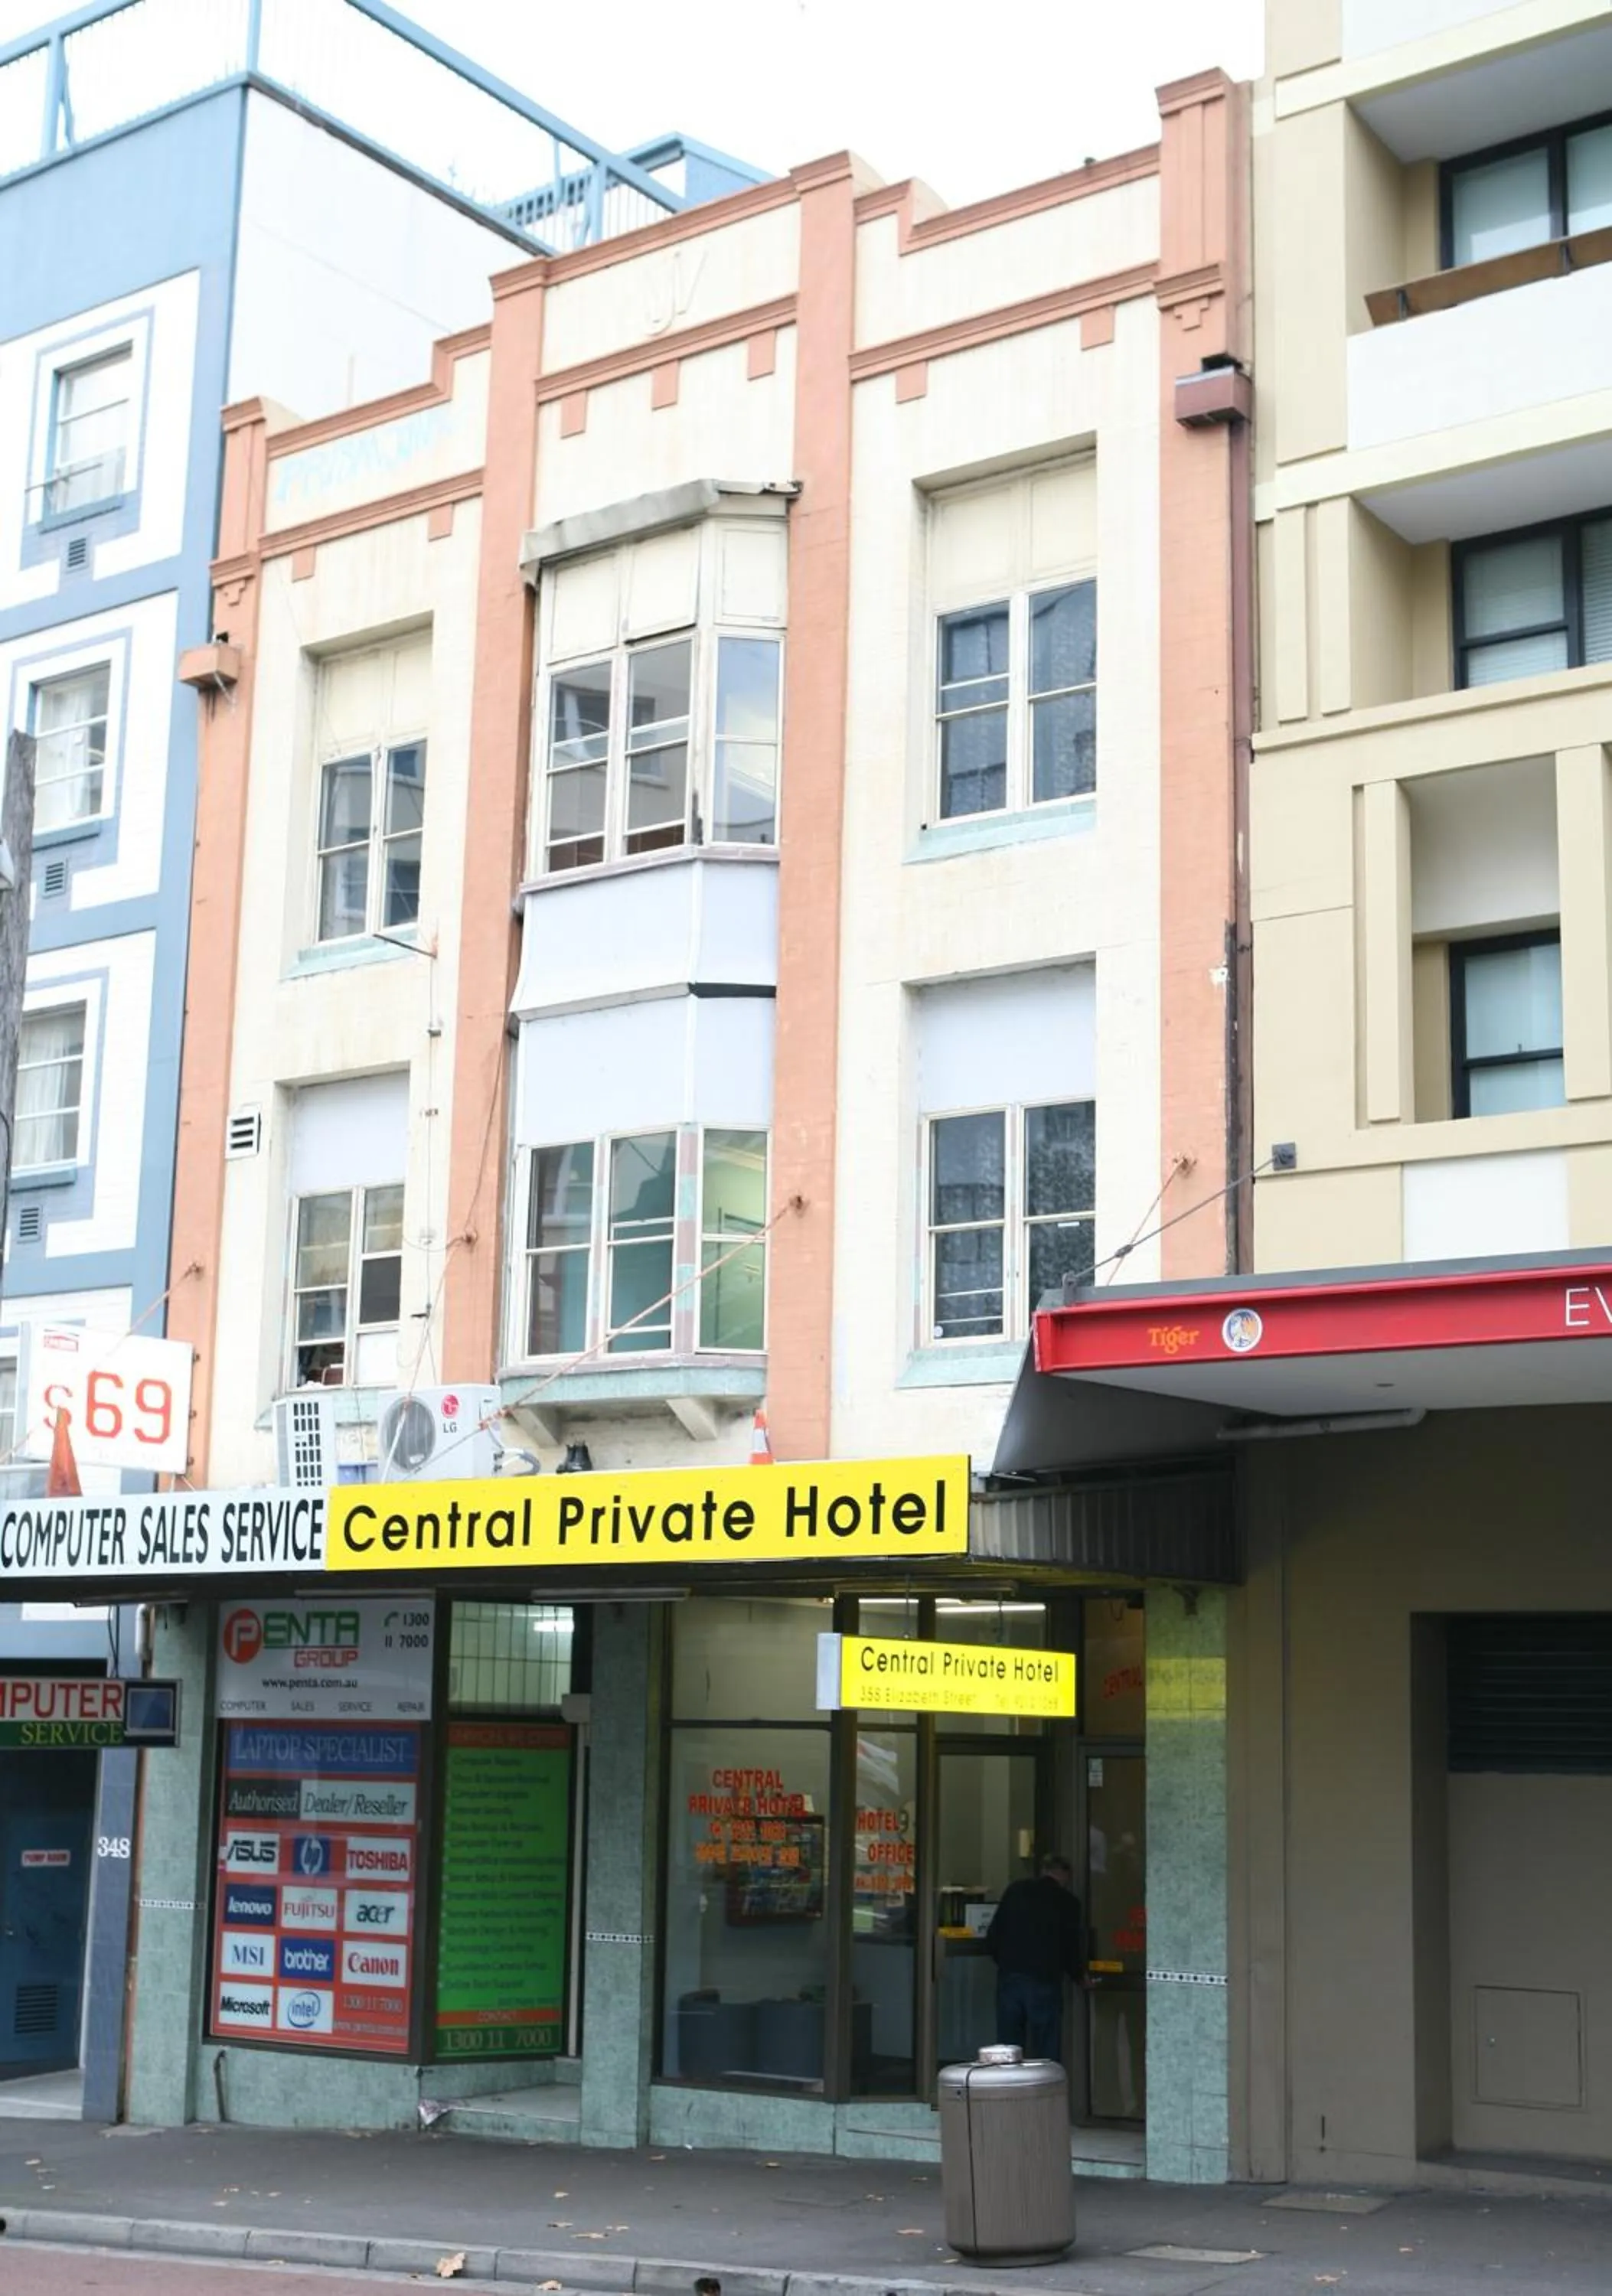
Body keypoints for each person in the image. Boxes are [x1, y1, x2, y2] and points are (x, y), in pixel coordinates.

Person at [985, 1853, 1084, 2065]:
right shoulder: (1067, 1902)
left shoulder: (1015, 1891)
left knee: (1008, 2047)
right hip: (1044, 1980)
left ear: (1044, 1871)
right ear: (1064, 1875)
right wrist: (1080, 1975)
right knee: (1045, 2048)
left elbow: (993, 1936)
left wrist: (1006, 1963)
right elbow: (1070, 1947)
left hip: (1011, 1977)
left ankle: (1009, 2091)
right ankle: (1044, 2093)